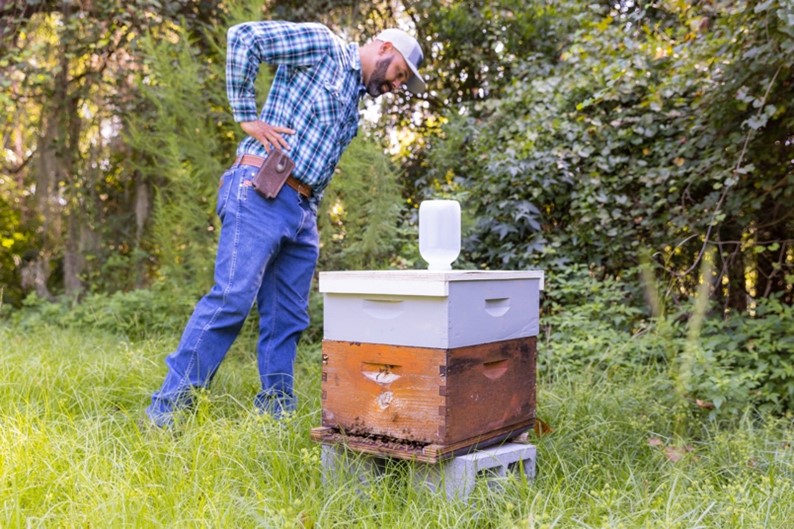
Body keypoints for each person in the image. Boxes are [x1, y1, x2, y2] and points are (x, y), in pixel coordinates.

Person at [145, 21, 426, 428]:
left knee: (288, 319)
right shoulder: (325, 47)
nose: (398, 85)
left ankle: (274, 414)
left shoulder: (352, 102)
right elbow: (244, 37)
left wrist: (310, 211)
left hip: (301, 210)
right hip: (260, 190)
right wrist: (246, 116)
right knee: (232, 299)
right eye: (401, 73)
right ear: (384, 47)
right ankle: (166, 412)